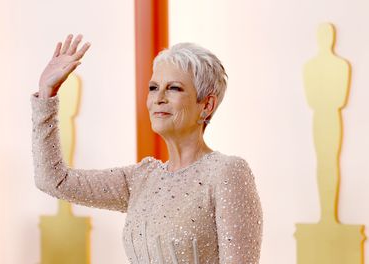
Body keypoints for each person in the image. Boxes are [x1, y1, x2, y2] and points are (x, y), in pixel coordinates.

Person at [31, 34, 263, 263]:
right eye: (153, 88)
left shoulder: (227, 172)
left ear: (207, 105)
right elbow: (53, 180)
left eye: (173, 88)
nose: (158, 98)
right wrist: (46, 94)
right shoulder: (141, 178)